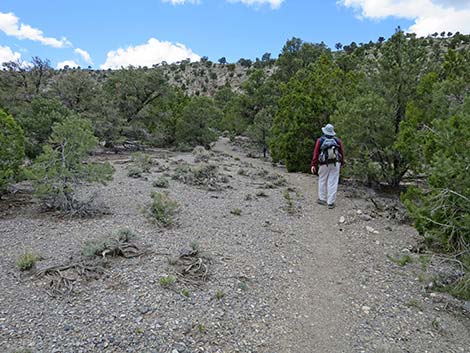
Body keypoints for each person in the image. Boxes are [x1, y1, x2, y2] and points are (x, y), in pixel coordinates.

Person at [310, 123, 345, 209]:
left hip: (323, 163)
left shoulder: (320, 140)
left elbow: (316, 153)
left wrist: (313, 164)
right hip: (335, 163)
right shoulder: (337, 141)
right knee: (333, 182)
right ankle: (331, 202)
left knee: (322, 180)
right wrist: (342, 162)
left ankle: (322, 199)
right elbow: (342, 153)